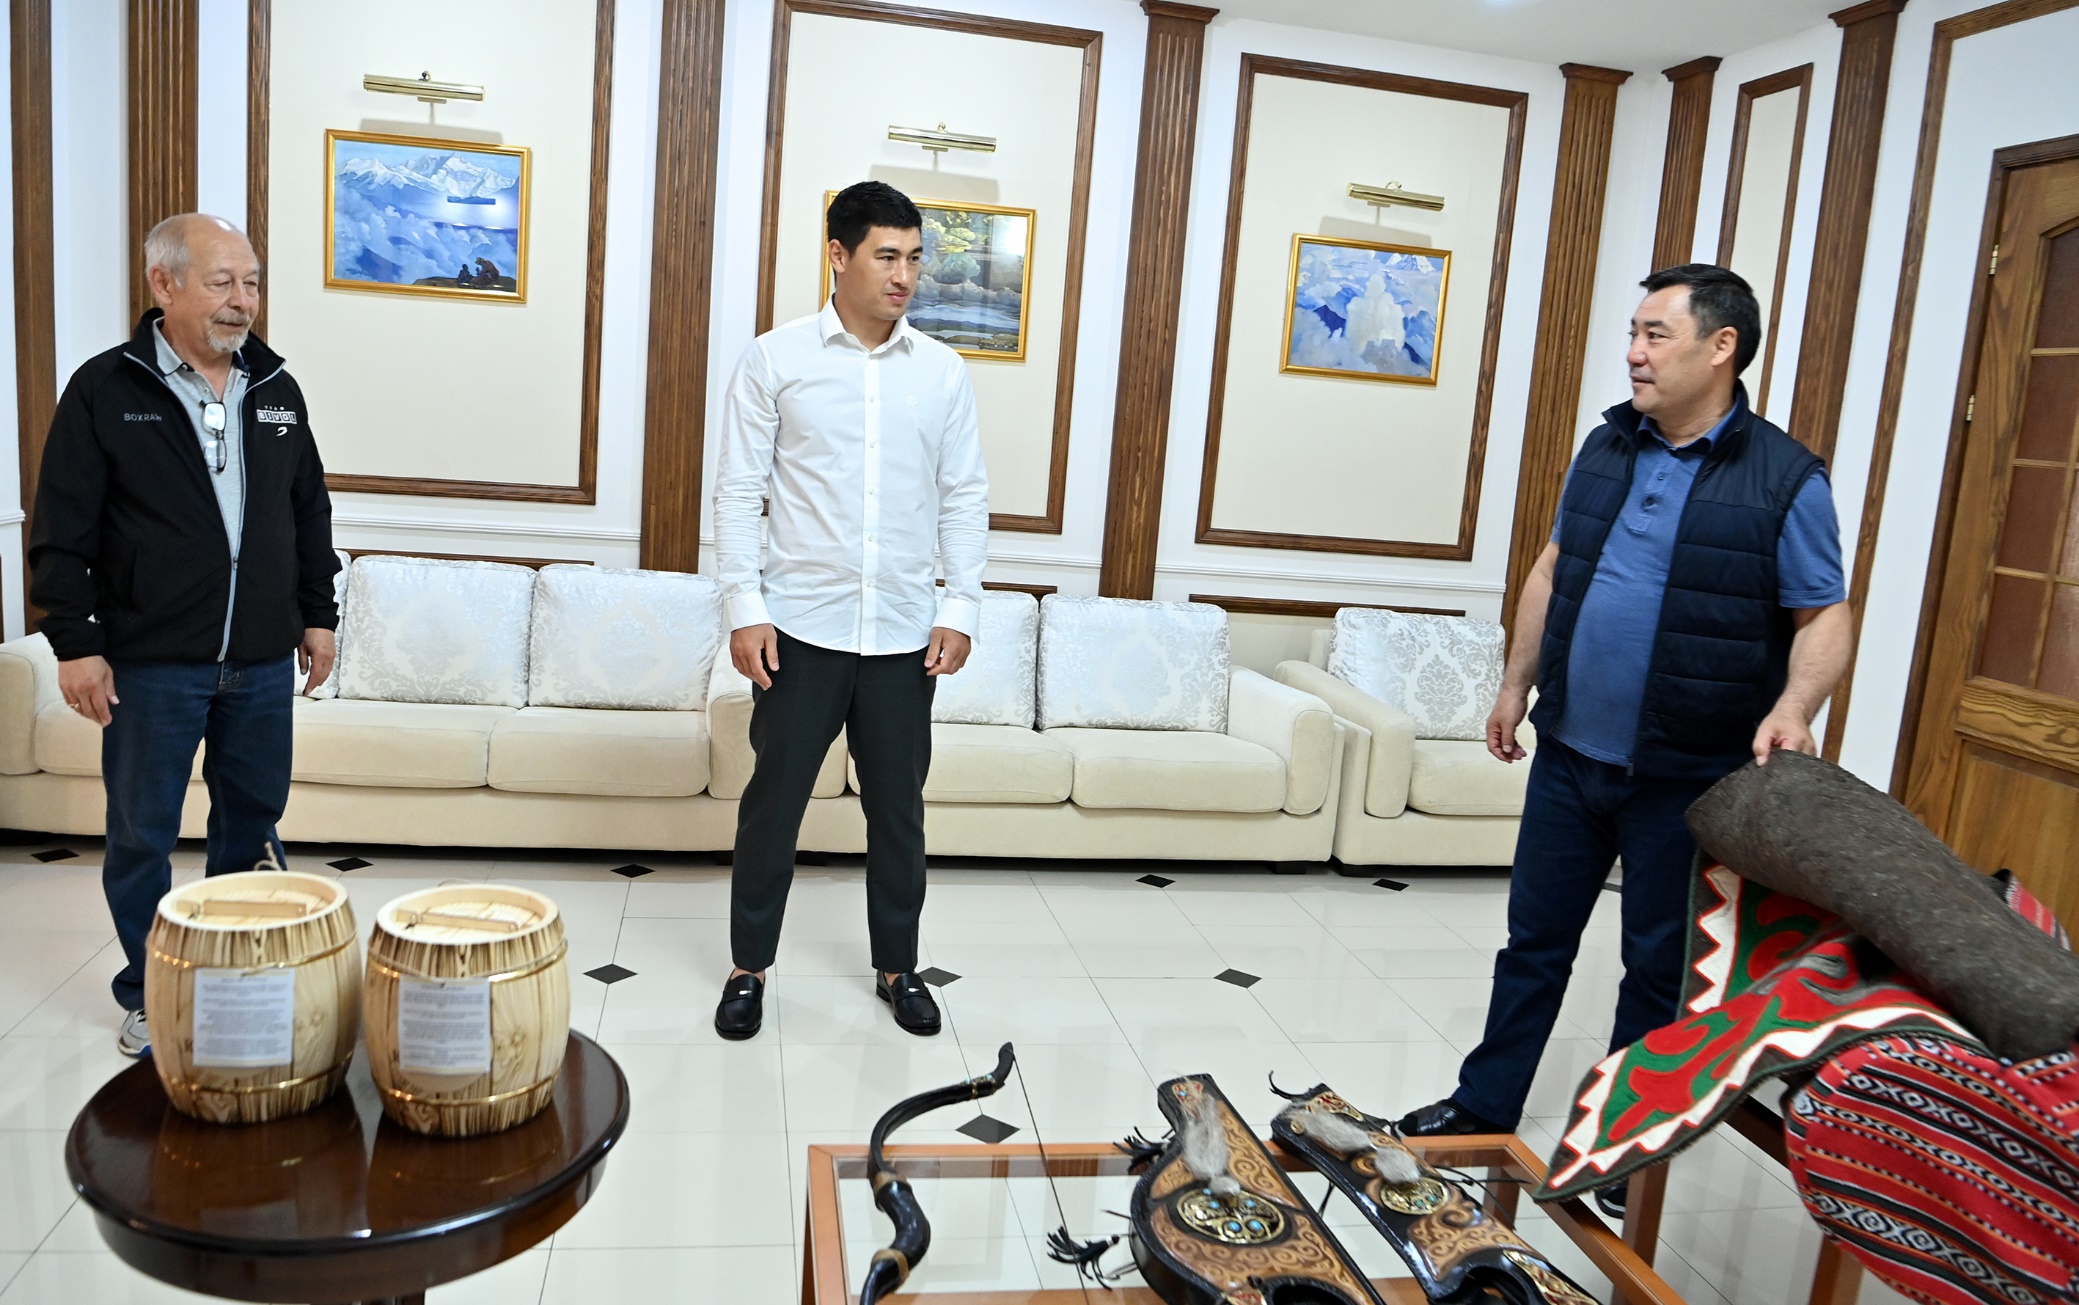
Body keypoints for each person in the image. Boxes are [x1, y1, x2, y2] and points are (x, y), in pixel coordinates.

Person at [1396, 265, 1851, 1216]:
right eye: (1633, 334)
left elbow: (1821, 612)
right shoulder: (1606, 445)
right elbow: (1552, 569)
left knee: (1654, 966)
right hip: (1571, 752)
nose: (1634, 353)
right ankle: (1483, 1104)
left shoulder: (1785, 478)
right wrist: (1514, 684)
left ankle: (1616, 1144)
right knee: (1532, 943)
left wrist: (1795, 706)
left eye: (1654, 334)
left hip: (1686, 774)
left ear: (1720, 347)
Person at [29, 213, 340, 1057]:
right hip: (151, 664)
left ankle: (237, 984)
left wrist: (317, 613)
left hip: (261, 661)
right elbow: (62, 528)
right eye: (222, 281)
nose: (243, 300)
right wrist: (75, 643)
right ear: (162, 284)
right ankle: (153, 991)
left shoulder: (275, 389)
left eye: (252, 282)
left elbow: (307, 510)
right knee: (142, 835)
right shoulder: (106, 388)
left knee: (251, 825)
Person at [709, 181, 989, 1040]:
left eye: (915, 258)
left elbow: (963, 494)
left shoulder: (941, 372)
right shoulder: (775, 359)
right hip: (798, 629)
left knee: (898, 813)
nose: (904, 275)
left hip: (904, 635)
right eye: (886, 256)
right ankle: (749, 967)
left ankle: (897, 967)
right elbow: (738, 491)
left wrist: (961, 604)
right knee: (773, 808)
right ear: (838, 255)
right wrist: (744, 607)